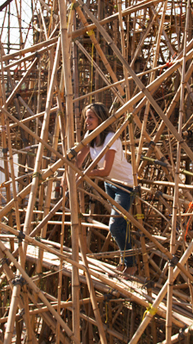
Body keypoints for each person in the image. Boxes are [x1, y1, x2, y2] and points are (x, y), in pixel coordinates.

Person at [62, 103, 137, 276]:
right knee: (121, 225)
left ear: (100, 119)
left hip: (124, 185)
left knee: (115, 226)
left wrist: (83, 176)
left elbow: (105, 170)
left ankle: (131, 264)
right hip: (109, 184)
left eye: (91, 117)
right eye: (86, 117)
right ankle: (125, 262)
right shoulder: (90, 136)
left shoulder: (112, 138)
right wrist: (66, 176)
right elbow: (78, 161)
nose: (86, 121)